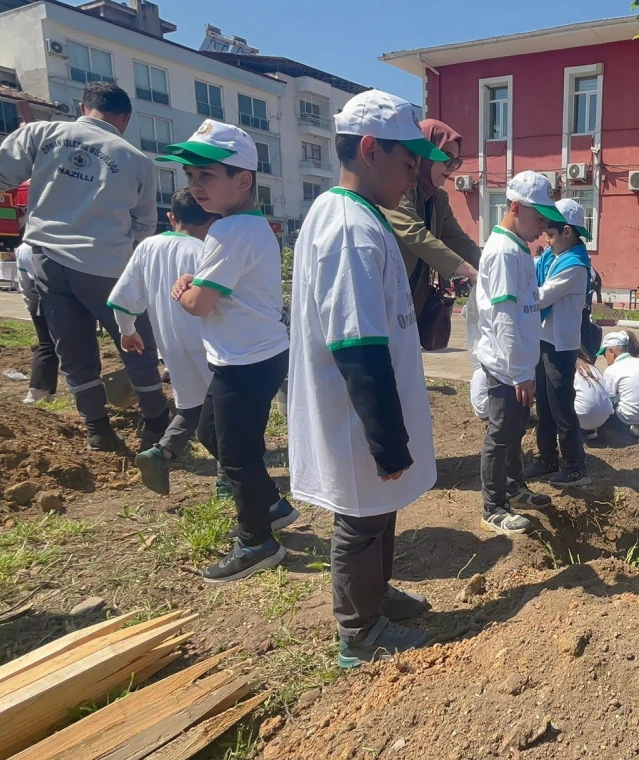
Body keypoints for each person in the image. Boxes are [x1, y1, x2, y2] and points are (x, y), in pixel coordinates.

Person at [288, 90, 444, 667]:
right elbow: (357, 344)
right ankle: (358, 633)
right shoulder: (350, 228)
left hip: (372, 405)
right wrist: (386, 438)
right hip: (357, 411)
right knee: (361, 516)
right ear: (371, 149)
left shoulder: (359, 218)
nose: (414, 179)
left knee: (381, 508)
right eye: (409, 165)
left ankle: (376, 597)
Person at [0, 82, 168, 451]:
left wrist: (20, 145)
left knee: (74, 349)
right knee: (137, 343)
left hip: (47, 260)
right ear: (125, 119)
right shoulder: (137, 160)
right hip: (106, 267)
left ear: (83, 107)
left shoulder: (40, 134)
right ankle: (156, 422)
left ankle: (98, 431)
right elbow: (145, 225)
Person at [160, 119, 297, 583]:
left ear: (243, 180)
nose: (196, 186)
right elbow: (212, 289)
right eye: (191, 177)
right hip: (243, 355)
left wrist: (183, 292)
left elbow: (200, 303)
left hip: (248, 359)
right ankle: (270, 504)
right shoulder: (245, 226)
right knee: (210, 434)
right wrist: (193, 285)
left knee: (235, 454)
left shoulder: (229, 232)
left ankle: (256, 541)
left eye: (206, 176)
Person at [108, 189, 221, 497]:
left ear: (172, 217)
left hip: (170, 342)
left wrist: (127, 329)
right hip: (212, 342)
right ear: (213, 219)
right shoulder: (209, 249)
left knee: (191, 406)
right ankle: (228, 478)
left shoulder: (148, 247)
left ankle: (161, 452)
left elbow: (124, 296)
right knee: (225, 409)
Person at [475, 171, 566, 535]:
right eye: (539, 218)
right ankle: (493, 506)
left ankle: (513, 488)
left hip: (519, 364)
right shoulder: (501, 253)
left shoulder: (518, 249)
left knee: (513, 431)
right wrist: (518, 372)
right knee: (500, 435)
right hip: (506, 366)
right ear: (515, 207)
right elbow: (504, 318)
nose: (543, 227)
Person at [521, 198, 593, 488]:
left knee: (562, 407)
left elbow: (541, 296)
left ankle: (575, 466)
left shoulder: (574, 266)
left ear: (567, 231)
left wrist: (515, 294)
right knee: (546, 408)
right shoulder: (553, 259)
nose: (546, 240)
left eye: (550, 234)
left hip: (560, 346)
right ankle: (547, 459)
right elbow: (531, 270)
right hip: (544, 340)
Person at [384, 118, 481, 316]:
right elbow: (414, 233)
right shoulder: (400, 187)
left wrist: (491, 268)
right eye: (446, 157)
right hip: (386, 294)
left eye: (456, 161)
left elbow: (459, 240)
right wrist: (466, 270)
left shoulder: (438, 197)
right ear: (425, 152)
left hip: (412, 300)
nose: (452, 166)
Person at [14, 240, 58, 405]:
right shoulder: (58, 242)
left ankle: (39, 392)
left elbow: (23, 280)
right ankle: (91, 390)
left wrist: (29, 303)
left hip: (37, 298)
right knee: (82, 344)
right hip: (59, 298)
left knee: (47, 345)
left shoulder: (24, 248)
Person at [598, 331, 639, 439]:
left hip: (629, 417)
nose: (604, 357)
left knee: (603, 413)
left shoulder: (612, 370)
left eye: (604, 353)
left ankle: (630, 429)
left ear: (612, 351)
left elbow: (607, 402)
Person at [574, 349, 614, 438]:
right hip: (604, 417)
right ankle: (590, 430)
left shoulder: (568, 369)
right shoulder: (592, 368)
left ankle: (561, 432)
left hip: (583, 416)